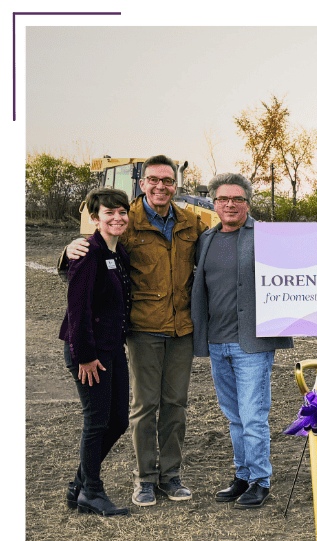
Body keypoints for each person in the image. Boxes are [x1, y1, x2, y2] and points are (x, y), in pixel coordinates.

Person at [64, 155, 209, 506]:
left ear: (177, 185)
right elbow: (92, 249)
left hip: (181, 329)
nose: (161, 187)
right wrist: (66, 251)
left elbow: (216, 255)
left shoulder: (193, 222)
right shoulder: (125, 219)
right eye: (154, 180)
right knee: (144, 406)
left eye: (168, 181)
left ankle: (170, 476)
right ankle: (144, 478)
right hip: (143, 328)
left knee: (175, 405)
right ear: (142, 184)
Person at [191, 173, 293, 509]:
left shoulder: (267, 236)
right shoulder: (206, 239)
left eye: (237, 199)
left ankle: (261, 480)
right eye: (223, 199)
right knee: (234, 417)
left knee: (252, 417)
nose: (230, 205)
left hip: (251, 342)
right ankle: (243, 474)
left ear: (247, 203)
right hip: (217, 342)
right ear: (214, 203)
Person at [60, 188, 133, 515]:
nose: (117, 218)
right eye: (109, 213)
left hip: (113, 347)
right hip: (89, 351)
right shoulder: (88, 252)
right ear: (94, 219)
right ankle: (91, 490)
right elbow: (78, 307)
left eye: (122, 212)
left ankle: (80, 484)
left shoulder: (117, 252)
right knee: (97, 421)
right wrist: (85, 355)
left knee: (118, 420)